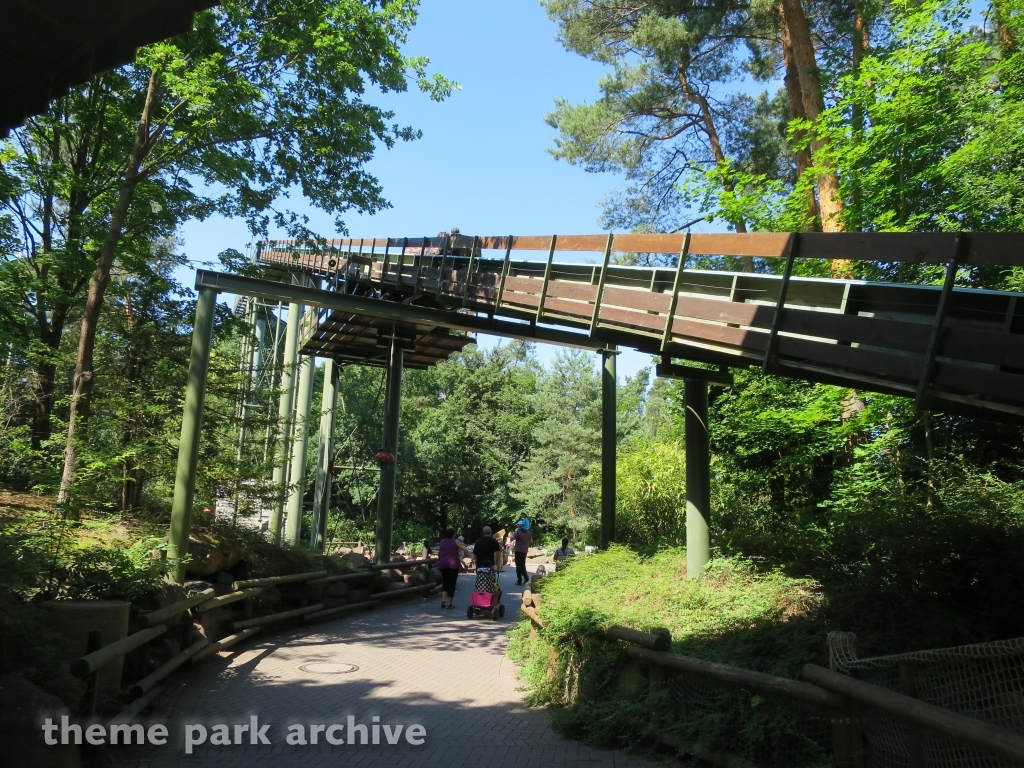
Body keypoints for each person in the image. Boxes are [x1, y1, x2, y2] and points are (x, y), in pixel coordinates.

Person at [436, 528, 468, 609]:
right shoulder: (456, 541)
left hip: (443, 564)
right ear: (454, 534)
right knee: (452, 583)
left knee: (445, 582)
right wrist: (463, 554)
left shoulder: (442, 541)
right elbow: (465, 549)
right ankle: (449, 603)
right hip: (453, 565)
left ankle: (443, 600)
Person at [473, 526, 502, 592]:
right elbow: (496, 554)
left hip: (480, 565)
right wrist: (496, 564)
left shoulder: (478, 542)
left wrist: (476, 565)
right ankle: (490, 596)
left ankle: (482, 595)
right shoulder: (494, 541)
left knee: (481, 581)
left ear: (483, 533)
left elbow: (475, 555)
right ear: (490, 532)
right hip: (490, 565)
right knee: (492, 581)